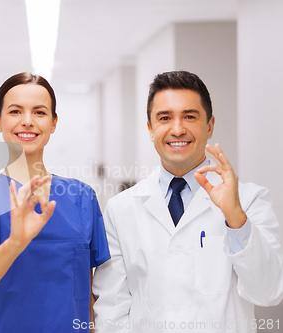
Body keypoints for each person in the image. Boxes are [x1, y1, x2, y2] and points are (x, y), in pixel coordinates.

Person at [93, 70, 283, 332]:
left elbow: (269, 292)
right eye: (165, 118)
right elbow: (111, 309)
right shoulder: (120, 209)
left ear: (210, 126)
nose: (178, 129)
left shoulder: (250, 200)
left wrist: (236, 219)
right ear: (150, 129)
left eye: (189, 116)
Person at [0, 72, 111, 332]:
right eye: (15, 111)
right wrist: (15, 242)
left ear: (54, 123)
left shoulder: (82, 197)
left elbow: (89, 293)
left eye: (39, 112)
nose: (27, 121)